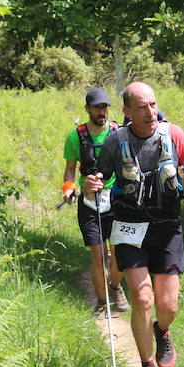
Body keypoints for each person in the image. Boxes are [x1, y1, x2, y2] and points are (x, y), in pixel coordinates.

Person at [83, 82, 184, 367]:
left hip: (167, 227)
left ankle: (161, 330)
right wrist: (90, 187)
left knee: (168, 306)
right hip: (129, 227)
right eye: (142, 107)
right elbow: (98, 179)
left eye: (153, 104)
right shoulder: (116, 141)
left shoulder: (173, 135)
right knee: (142, 298)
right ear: (127, 112)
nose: (150, 112)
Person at [62, 88, 129, 318]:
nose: (102, 112)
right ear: (87, 109)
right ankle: (102, 303)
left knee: (118, 252)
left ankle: (116, 287)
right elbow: (70, 170)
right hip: (89, 202)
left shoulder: (118, 132)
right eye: (98, 107)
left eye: (105, 107)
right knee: (99, 255)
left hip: (117, 198)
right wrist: (68, 189)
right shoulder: (75, 137)